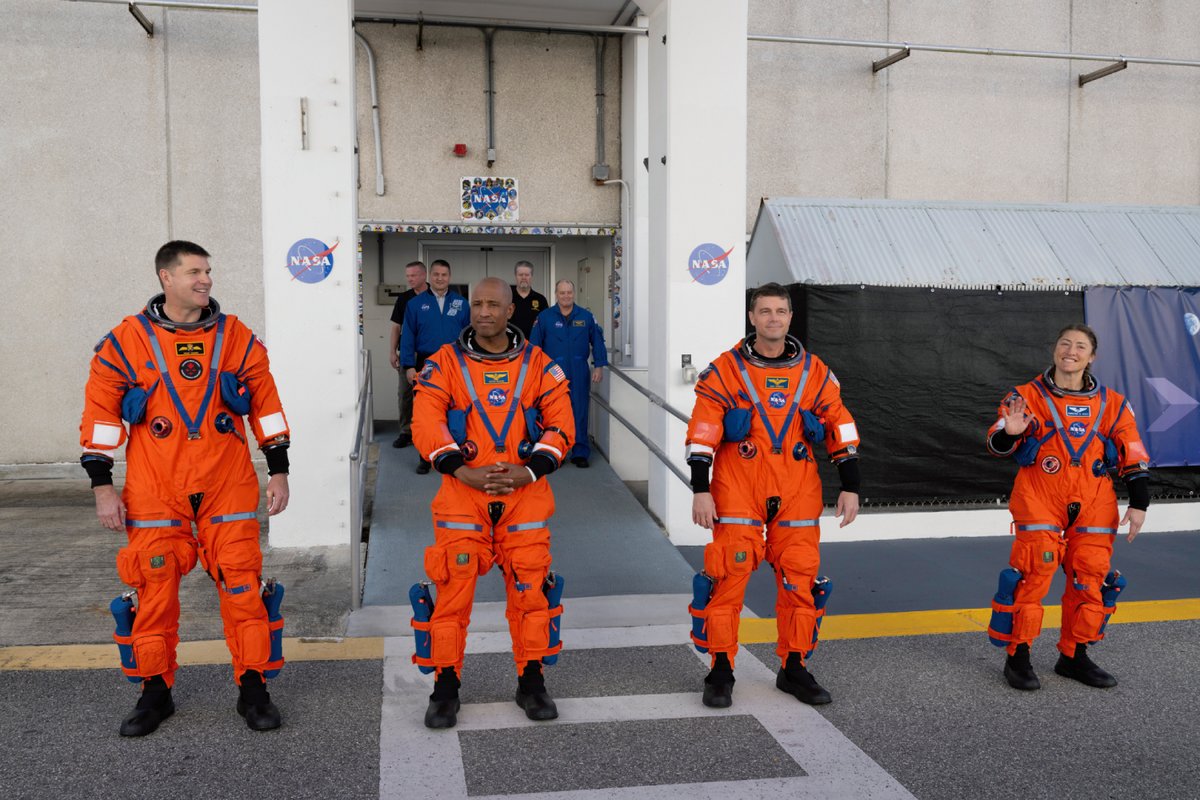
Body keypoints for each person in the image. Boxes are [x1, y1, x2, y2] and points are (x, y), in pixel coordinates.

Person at [80, 241, 291, 736]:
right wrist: (102, 487)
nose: (206, 280)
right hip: (157, 488)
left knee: (243, 589)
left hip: (227, 483)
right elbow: (100, 416)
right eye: (195, 271)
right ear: (165, 278)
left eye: (208, 271)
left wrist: (278, 468)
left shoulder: (236, 337)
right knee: (152, 593)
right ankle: (155, 695)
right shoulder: (125, 341)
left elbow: (266, 404)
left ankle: (254, 691)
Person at [684, 282, 861, 708]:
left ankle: (794, 667)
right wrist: (700, 489)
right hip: (737, 489)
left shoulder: (815, 372)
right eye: (764, 311)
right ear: (751, 317)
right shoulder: (726, 370)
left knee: (800, 582)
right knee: (726, 581)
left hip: (797, 489)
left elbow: (841, 426)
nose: (773, 319)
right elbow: (703, 432)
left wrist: (851, 485)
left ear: (790, 317)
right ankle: (721, 669)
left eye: (780, 311)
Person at [410, 277, 575, 729]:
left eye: (493, 304)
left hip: (525, 495)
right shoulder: (443, 363)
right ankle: (445, 688)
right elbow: (425, 420)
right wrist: (458, 468)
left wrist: (532, 469)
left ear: (510, 311)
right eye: (477, 304)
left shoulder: (540, 364)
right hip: (463, 493)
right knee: (452, 592)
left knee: (531, 592)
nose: (484, 311)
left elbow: (562, 423)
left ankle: (532, 681)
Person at [985, 323, 1150, 691]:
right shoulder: (1025, 396)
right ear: (1054, 350)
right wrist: (1009, 433)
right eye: (1064, 344)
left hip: (1094, 500)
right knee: (1033, 574)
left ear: (1091, 357)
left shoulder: (1113, 404)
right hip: (1040, 496)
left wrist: (1139, 503)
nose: (1070, 351)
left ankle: (1073, 656)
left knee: (1089, 578)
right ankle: (1019, 655)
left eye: (1080, 346)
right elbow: (996, 445)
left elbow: (1133, 454)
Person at [401, 259, 470, 473]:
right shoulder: (414, 304)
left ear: (449, 277)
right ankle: (425, 456)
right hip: (426, 363)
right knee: (425, 413)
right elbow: (408, 336)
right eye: (436, 274)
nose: (440, 278)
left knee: (456, 410)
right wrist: (408, 365)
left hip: (455, 364)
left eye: (444, 275)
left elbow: (469, 334)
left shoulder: (461, 303)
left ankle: (455, 455)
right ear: (430, 277)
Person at [529, 279, 607, 467]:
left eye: (569, 292)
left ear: (574, 293)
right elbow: (534, 347)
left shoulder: (586, 316)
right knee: (554, 412)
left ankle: (580, 451)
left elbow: (597, 341)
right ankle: (558, 451)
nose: (566, 296)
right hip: (553, 373)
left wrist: (599, 365)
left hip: (579, 370)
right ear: (556, 294)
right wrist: (535, 373)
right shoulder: (545, 317)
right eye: (562, 292)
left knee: (579, 410)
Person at [389, 260, 429, 448]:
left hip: (431, 354)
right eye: (408, 276)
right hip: (407, 353)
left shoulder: (435, 296)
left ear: (424, 275)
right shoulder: (404, 298)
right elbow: (396, 327)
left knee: (434, 394)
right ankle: (406, 431)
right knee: (405, 394)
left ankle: (434, 432)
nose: (410, 279)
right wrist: (392, 352)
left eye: (413, 275)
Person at [509, 260, 549, 338]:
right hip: (511, 345)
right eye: (520, 274)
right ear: (515, 276)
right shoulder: (507, 297)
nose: (524, 278)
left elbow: (546, 324)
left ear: (531, 276)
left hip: (533, 345)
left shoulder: (541, 299)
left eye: (527, 275)